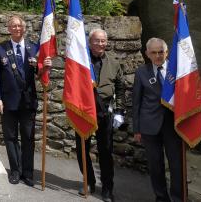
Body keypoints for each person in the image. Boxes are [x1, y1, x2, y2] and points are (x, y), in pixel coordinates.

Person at [0, 16, 50, 187]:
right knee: (10, 138)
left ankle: (28, 173)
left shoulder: (34, 48)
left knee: (28, 138)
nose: (17, 28)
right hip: (8, 102)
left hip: (28, 102)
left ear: (24, 28)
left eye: (19, 26)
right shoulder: (0, 49)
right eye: (13, 26)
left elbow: (39, 75)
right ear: (9, 29)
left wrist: (45, 67)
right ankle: (15, 171)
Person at [74, 29, 125, 202]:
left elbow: (120, 87)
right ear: (90, 42)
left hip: (105, 112)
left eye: (103, 41)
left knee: (106, 151)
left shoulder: (114, 62)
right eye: (97, 41)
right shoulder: (81, 61)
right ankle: (89, 182)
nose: (101, 44)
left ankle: (107, 188)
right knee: (82, 149)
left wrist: (119, 111)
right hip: (84, 111)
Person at [133, 37, 183, 202]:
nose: (157, 56)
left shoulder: (177, 71)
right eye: (153, 52)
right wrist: (137, 129)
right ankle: (161, 198)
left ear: (167, 52)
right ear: (147, 54)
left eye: (161, 52)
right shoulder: (141, 72)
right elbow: (136, 102)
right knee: (156, 166)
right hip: (149, 126)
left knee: (177, 166)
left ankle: (178, 198)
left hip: (173, 126)